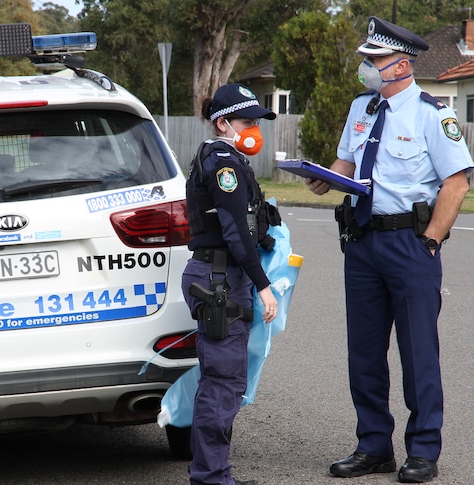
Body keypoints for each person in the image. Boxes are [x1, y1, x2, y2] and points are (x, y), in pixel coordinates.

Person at [305, 17, 474, 483]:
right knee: (363, 352)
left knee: (418, 351)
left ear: (402, 64)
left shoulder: (431, 113)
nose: (367, 67)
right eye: (367, 60)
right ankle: (373, 445)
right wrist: (324, 177)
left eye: (374, 60)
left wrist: (430, 243)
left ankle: (422, 450)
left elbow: (456, 185)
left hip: (408, 243)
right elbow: (346, 161)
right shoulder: (361, 107)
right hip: (362, 241)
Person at [182, 83, 280, 485]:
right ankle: (210, 476)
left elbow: (250, 223)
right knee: (222, 382)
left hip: (222, 276)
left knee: (226, 379)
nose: (254, 129)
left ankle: (214, 472)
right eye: (247, 121)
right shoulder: (224, 163)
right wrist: (263, 284)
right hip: (220, 279)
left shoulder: (228, 158)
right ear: (223, 123)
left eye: (257, 122)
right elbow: (236, 233)